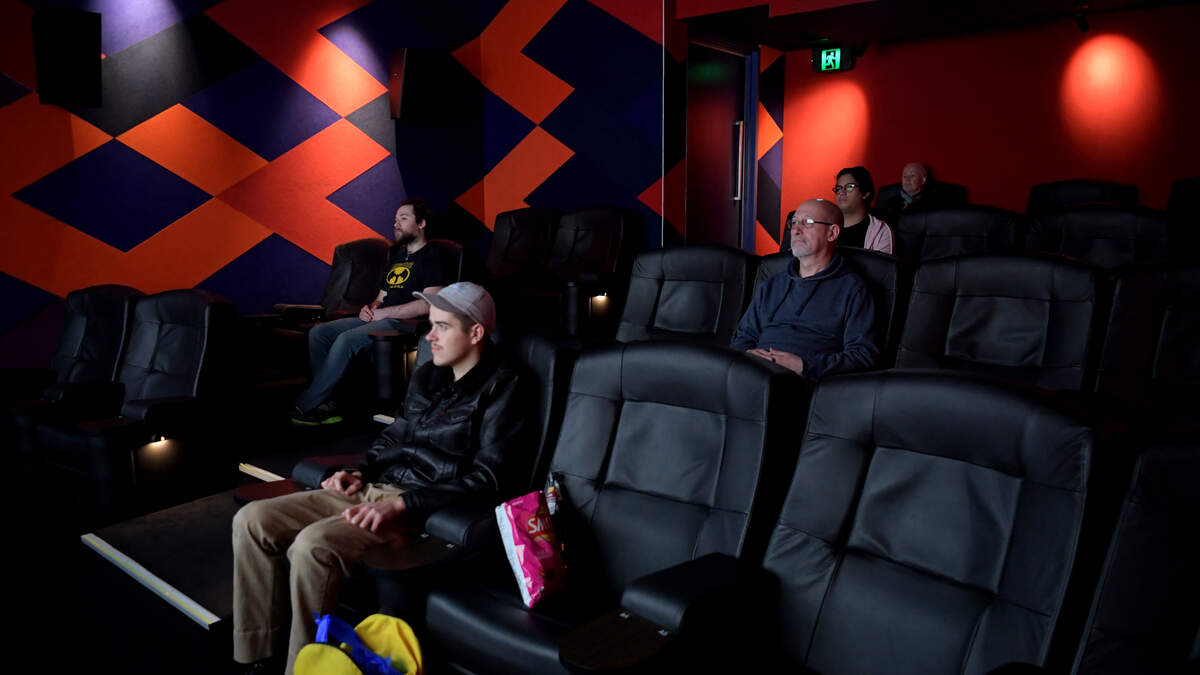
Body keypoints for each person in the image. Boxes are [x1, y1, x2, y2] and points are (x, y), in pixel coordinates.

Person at [234, 282, 532, 674]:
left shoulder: (505, 384)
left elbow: (489, 477)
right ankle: (256, 656)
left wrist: (402, 504)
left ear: (475, 332)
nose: (430, 336)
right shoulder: (428, 375)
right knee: (252, 520)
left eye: (442, 327)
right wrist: (359, 470)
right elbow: (394, 435)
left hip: (421, 508)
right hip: (377, 486)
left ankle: (303, 666)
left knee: (312, 545)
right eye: (431, 325)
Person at [292, 197, 454, 425]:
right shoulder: (396, 257)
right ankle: (328, 402)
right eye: (395, 219)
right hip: (381, 317)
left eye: (403, 218)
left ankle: (305, 405)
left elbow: (429, 303)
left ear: (421, 223)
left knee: (346, 340)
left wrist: (384, 313)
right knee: (319, 334)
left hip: (405, 322)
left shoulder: (434, 256)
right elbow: (380, 297)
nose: (396, 224)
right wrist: (369, 309)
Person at [732, 198, 878, 377]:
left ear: (832, 233)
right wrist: (747, 355)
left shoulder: (853, 289)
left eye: (807, 222)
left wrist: (804, 365)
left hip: (809, 381)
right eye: (794, 222)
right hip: (754, 373)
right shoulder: (772, 284)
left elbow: (862, 356)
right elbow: (743, 338)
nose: (796, 230)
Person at [833, 166, 893, 253]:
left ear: (865, 193)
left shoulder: (880, 231)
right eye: (838, 188)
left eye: (849, 187)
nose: (841, 192)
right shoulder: (826, 226)